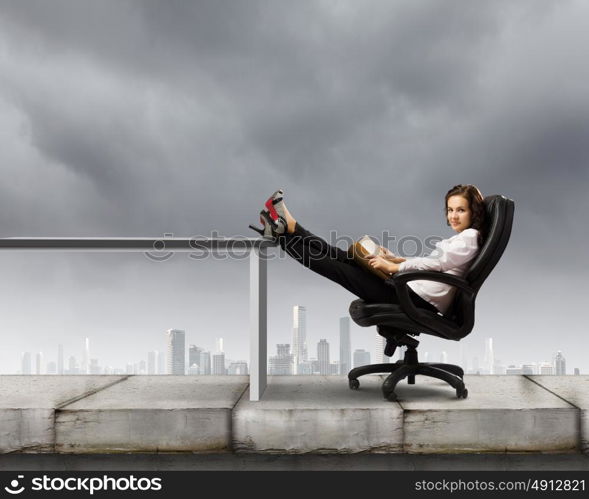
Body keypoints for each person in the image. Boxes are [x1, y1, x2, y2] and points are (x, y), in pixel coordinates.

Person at [249, 184, 486, 316]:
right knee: (344, 256)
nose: (453, 216)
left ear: (473, 212)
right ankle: (290, 227)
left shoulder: (469, 239)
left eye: (460, 210)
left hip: (414, 299)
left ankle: (282, 236)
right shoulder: (464, 239)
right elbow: (437, 263)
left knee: (338, 268)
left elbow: (437, 265)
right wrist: (395, 258)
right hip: (409, 288)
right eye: (450, 209)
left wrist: (393, 266)